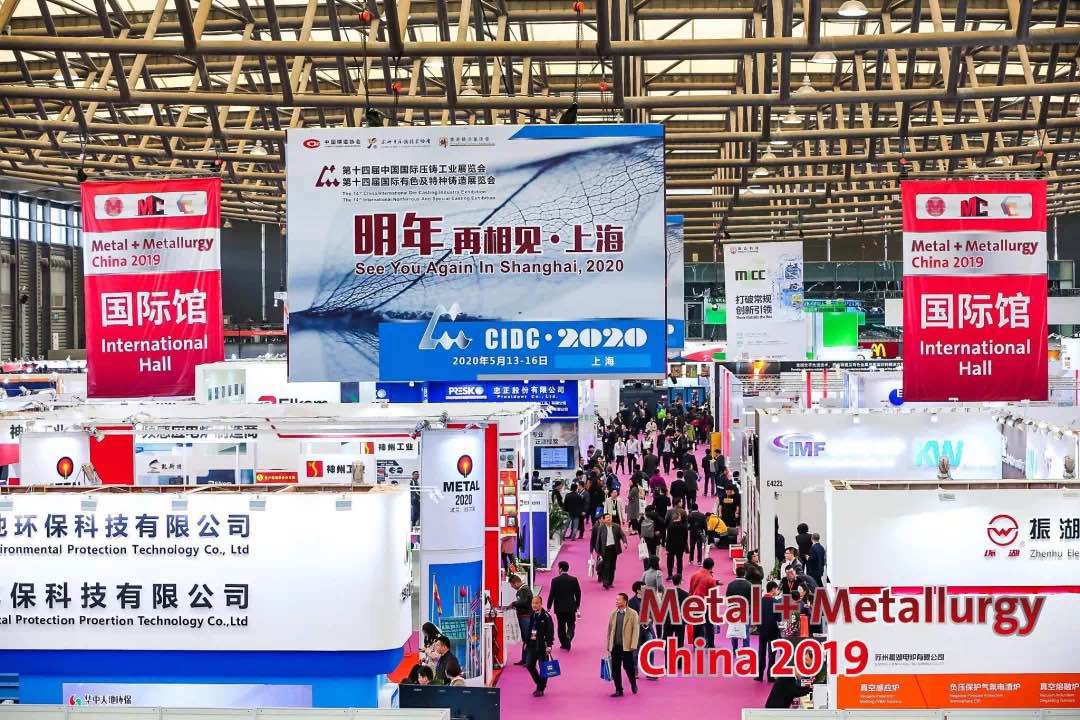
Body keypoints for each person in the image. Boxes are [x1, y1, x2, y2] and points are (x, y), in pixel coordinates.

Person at [606, 592, 640, 697]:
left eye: (619, 600)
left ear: (625, 601)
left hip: (627, 646)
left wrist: (633, 645)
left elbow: (636, 630)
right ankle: (619, 690)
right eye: (616, 600)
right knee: (615, 669)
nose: (616, 601)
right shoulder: (613, 614)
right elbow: (610, 630)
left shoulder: (633, 614)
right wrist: (609, 645)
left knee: (628, 667)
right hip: (615, 646)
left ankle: (633, 683)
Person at [524, 595, 555, 697]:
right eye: (533, 603)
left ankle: (540, 689)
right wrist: (526, 642)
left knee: (543, 668)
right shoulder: (532, 614)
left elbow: (550, 632)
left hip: (542, 646)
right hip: (532, 645)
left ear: (541, 604)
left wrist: (549, 645)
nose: (534, 605)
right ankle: (540, 683)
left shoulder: (546, 617)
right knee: (529, 665)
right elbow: (529, 629)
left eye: (536, 603)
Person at [547, 561, 581, 651]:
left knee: (561, 626)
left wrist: (549, 606)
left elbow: (551, 594)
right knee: (571, 624)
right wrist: (577, 604)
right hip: (571, 607)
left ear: (561, 569)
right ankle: (569, 636)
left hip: (559, 608)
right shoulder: (573, 580)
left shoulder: (555, 580)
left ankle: (564, 643)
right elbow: (578, 593)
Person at [590, 513, 628, 590]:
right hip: (605, 549)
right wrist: (597, 550)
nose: (609, 519)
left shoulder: (616, 526)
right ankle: (605, 582)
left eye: (609, 517)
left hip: (614, 548)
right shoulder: (601, 528)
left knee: (612, 566)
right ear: (604, 520)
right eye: (607, 518)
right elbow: (598, 540)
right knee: (606, 566)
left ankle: (610, 582)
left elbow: (622, 535)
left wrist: (624, 542)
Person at [688, 557, 718, 647]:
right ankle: (710, 644)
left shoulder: (694, 575)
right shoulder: (710, 578)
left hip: (695, 602)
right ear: (712, 567)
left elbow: (691, 590)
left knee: (697, 625)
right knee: (709, 625)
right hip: (706, 603)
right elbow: (713, 593)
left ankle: (697, 644)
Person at [758, 581, 782, 682]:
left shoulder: (759, 601)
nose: (777, 591)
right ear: (773, 589)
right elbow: (779, 618)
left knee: (761, 653)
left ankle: (759, 675)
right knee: (772, 655)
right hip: (773, 631)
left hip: (762, 630)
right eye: (777, 589)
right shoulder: (776, 602)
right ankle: (770, 676)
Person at [725, 565, 753, 651]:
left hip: (733, 611)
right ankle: (745, 648)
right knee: (746, 630)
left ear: (736, 573)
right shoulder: (749, 585)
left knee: (734, 629)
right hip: (746, 610)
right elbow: (752, 599)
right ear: (745, 573)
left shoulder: (731, 584)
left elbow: (728, 598)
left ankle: (734, 649)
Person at [508, 574, 533, 664]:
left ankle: (528, 660)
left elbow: (523, 602)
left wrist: (513, 604)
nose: (512, 587)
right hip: (525, 616)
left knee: (527, 638)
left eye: (512, 585)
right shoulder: (525, 589)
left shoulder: (523, 590)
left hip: (525, 617)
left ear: (516, 583)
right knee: (526, 638)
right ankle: (525, 659)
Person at [663, 573, 690, 647]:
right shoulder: (686, 594)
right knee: (680, 642)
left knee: (667, 641)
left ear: (672, 581)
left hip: (668, 620)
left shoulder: (666, 593)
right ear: (681, 581)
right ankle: (679, 654)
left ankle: (667, 653)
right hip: (680, 620)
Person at [664, 502, 689, 580]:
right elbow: (685, 537)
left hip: (671, 545)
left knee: (670, 560)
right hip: (680, 545)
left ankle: (670, 574)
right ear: (680, 518)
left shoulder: (670, 527)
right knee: (679, 560)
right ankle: (679, 575)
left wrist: (667, 547)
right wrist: (685, 546)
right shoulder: (684, 527)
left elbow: (668, 538)